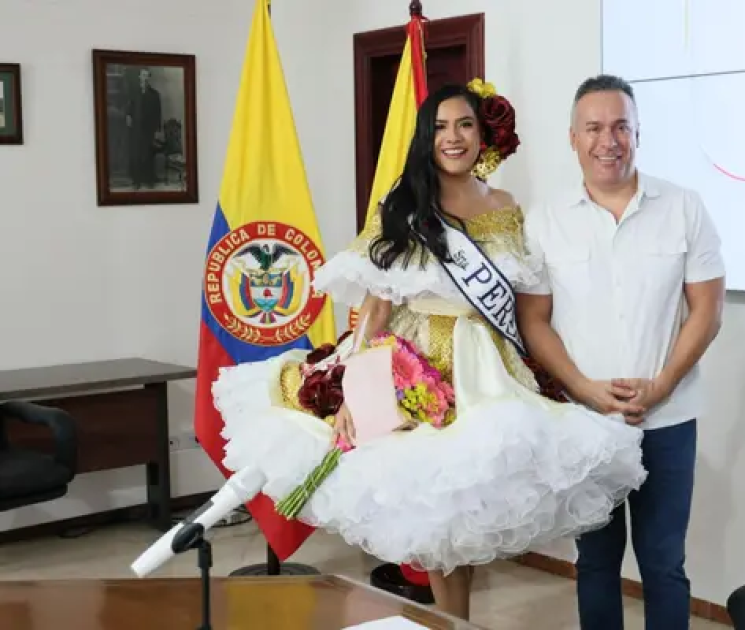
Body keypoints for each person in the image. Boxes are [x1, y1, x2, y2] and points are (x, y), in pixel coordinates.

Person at [210, 80, 649, 621]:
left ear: (480, 134)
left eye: (464, 124)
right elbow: (376, 305)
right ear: (426, 137)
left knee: (464, 507)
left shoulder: (507, 207)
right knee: (432, 514)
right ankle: (455, 622)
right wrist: (352, 385)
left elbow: (523, 296)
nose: (454, 137)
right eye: (440, 127)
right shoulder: (402, 205)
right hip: (416, 359)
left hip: (485, 368)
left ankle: (456, 621)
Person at [517, 74, 726, 630]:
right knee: (597, 562)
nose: (607, 141)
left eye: (620, 127)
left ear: (638, 134)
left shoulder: (683, 206)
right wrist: (584, 390)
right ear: (572, 137)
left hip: (668, 419)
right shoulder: (545, 219)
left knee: (664, 564)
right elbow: (533, 320)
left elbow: (707, 311)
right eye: (594, 128)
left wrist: (660, 385)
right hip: (585, 423)